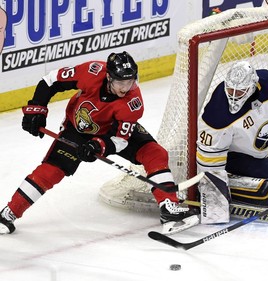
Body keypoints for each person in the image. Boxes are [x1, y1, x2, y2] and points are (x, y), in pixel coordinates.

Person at [0, 51, 198, 235]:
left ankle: (169, 207)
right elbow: (51, 80)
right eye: (121, 82)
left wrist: (98, 146)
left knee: (155, 153)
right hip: (77, 129)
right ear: (109, 77)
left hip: (112, 132)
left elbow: (120, 140)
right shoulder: (91, 71)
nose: (125, 88)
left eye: (130, 82)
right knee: (51, 171)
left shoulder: (133, 102)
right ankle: (9, 213)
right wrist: (37, 108)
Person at [196, 60, 268, 224]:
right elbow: (209, 163)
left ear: (253, 86)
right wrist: (215, 209)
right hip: (237, 156)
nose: (233, 96)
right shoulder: (217, 113)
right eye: (230, 90)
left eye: (239, 92)